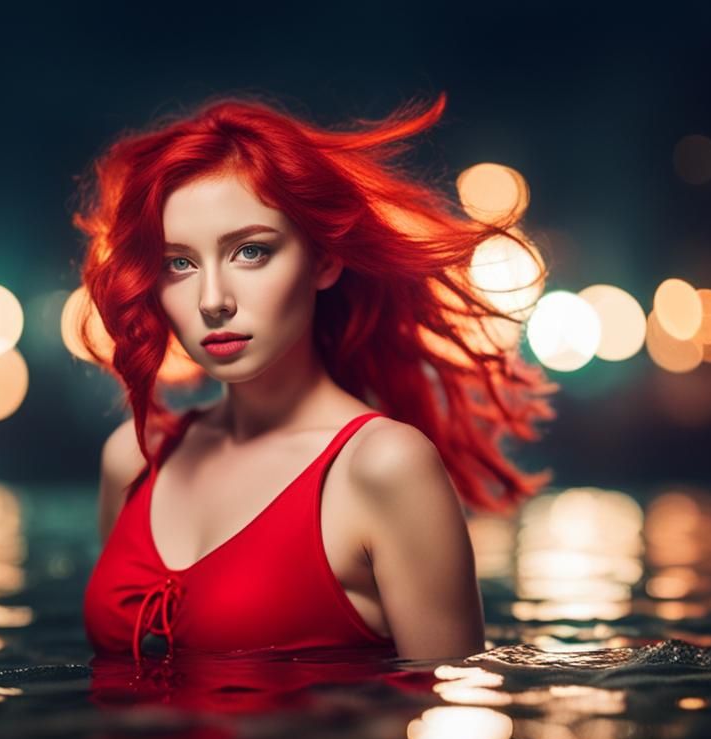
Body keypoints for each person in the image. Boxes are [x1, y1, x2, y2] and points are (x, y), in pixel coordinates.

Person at [72, 93, 556, 665]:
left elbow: (454, 715)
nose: (212, 301)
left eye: (250, 251)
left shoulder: (384, 466)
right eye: (179, 263)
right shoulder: (133, 458)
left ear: (323, 261)